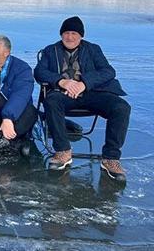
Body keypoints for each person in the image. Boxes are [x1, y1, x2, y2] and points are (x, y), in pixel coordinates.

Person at [34, 16, 130, 181]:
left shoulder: (93, 49)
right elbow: (39, 72)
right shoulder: (51, 51)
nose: (69, 37)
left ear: (81, 36)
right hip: (62, 94)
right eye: (66, 33)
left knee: (121, 107)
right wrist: (61, 81)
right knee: (51, 101)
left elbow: (108, 71)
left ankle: (111, 158)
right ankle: (63, 151)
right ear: (61, 34)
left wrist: (84, 84)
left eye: (74, 33)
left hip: (92, 93)